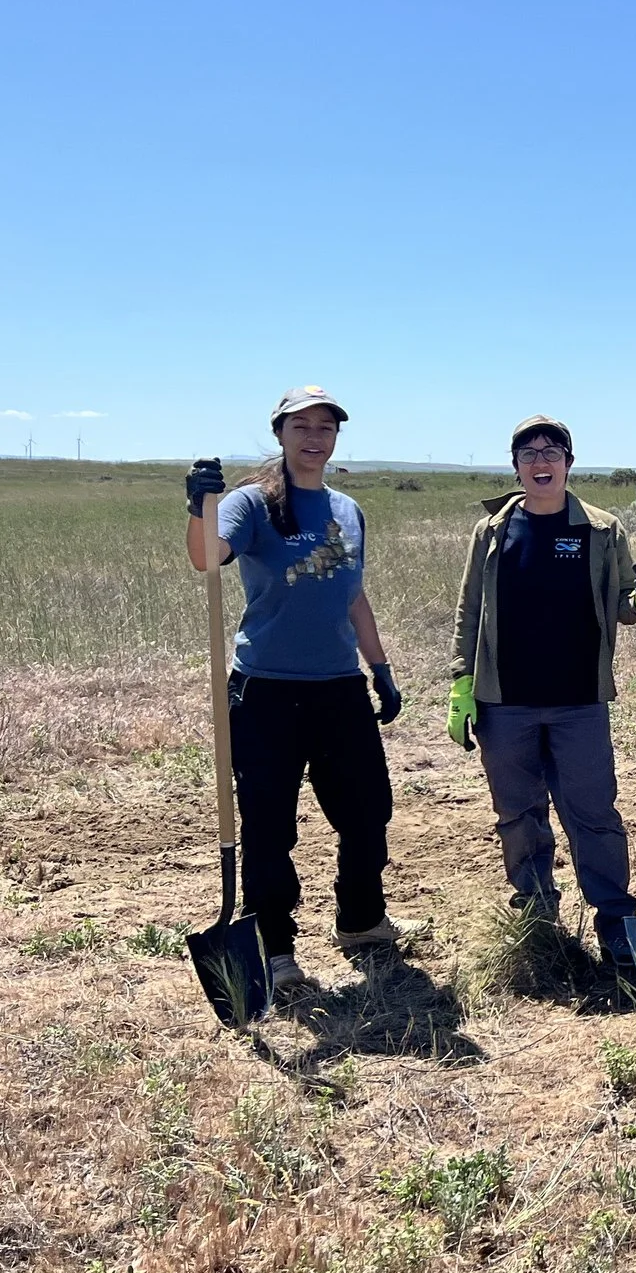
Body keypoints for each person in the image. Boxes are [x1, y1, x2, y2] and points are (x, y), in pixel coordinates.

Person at [184, 386, 427, 993]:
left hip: (339, 688)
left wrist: (381, 666)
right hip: (266, 690)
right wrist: (199, 509)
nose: (315, 438)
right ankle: (277, 947)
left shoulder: (347, 509)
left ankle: (362, 919)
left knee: (369, 811)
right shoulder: (251, 503)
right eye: (303, 427)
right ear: (281, 434)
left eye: (326, 428)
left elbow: (352, 594)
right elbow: (207, 558)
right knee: (269, 825)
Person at [447, 416, 636, 974]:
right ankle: (536, 917)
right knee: (518, 814)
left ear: (569, 462)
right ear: (516, 465)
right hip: (504, 701)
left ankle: (615, 919)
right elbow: (470, 608)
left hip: (578, 700)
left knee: (593, 812)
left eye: (552, 451)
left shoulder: (602, 529)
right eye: (529, 452)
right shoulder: (492, 531)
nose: (540, 461)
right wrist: (461, 682)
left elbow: (623, 603)